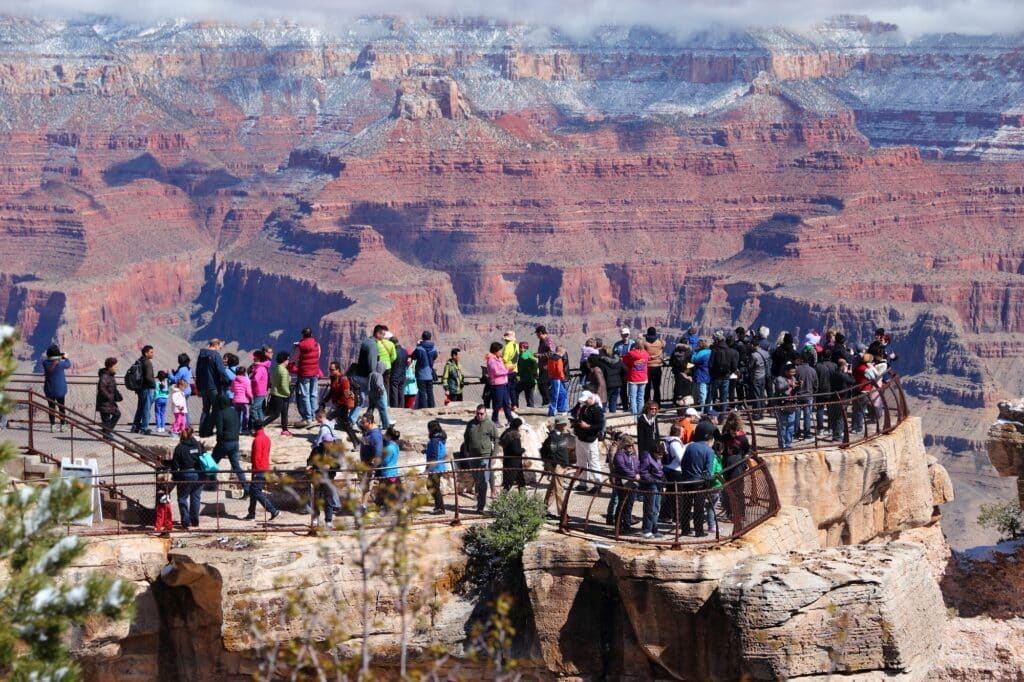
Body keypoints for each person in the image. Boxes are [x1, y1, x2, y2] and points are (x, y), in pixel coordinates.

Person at [680, 421, 716, 537]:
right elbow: (708, 471)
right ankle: (699, 531)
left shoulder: (690, 446)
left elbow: (683, 463)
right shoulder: (709, 451)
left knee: (686, 506)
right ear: (710, 440)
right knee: (698, 508)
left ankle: (685, 529)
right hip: (699, 483)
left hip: (686, 480)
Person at [463, 405, 498, 513]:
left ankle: (481, 505)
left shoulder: (490, 424)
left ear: (485, 413)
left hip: (485, 455)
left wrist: (494, 455)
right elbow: (466, 438)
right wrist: (466, 451)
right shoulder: (471, 424)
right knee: (476, 478)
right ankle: (479, 501)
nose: (479, 416)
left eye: (481, 414)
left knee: (483, 480)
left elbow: (496, 440)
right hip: (473, 455)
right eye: (477, 413)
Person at [212, 393, 248, 497]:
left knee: (212, 463)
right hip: (235, 442)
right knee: (236, 466)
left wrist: (219, 441)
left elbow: (219, 430)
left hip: (224, 442)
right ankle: (246, 488)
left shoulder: (220, 412)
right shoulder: (234, 412)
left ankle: (211, 484)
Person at [719, 411, 750, 528]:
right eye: (733, 432)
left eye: (736, 432)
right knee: (729, 492)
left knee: (737, 491)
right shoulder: (725, 437)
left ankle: (740, 514)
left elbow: (747, 451)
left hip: (737, 467)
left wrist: (744, 463)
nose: (734, 434)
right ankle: (731, 513)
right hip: (727, 467)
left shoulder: (742, 438)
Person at [246, 421, 280, 522]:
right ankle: (251, 513)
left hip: (258, 469)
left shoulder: (257, 440)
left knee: (256, 491)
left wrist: (255, 470)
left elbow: (256, 457)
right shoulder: (267, 438)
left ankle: (273, 510)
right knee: (253, 491)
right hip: (265, 468)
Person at [572, 391, 605, 493]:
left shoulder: (597, 410)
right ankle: (582, 483)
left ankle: (597, 484)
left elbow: (600, 425)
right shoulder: (583, 408)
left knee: (593, 462)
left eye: (586, 400)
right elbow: (574, 413)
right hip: (580, 438)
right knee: (580, 462)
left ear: (591, 398)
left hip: (590, 440)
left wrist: (588, 426)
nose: (584, 402)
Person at [541, 415, 572, 517]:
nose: (565, 425)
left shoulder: (561, 435)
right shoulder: (553, 437)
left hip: (562, 465)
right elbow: (551, 452)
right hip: (558, 466)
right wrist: (554, 465)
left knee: (553, 489)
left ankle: (543, 509)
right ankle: (563, 514)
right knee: (559, 490)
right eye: (563, 424)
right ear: (558, 425)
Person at [171, 427, 203, 528]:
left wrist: (175, 478)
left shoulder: (179, 447)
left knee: (182, 498)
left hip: (185, 474)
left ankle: (185, 521)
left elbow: (175, 466)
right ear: (192, 434)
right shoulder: (198, 445)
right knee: (196, 497)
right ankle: (195, 520)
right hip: (199, 474)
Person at [351, 325, 383, 423]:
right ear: (377, 334)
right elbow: (372, 363)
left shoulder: (366, 341)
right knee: (370, 399)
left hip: (360, 374)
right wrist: (374, 375)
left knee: (360, 399)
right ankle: (353, 420)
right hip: (366, 376)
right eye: (382, 335)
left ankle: (358, 419)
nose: (383, 337)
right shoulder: (373, 345)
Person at [608, 435, 639, 533]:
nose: (631, 447)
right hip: (623, 482)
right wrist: (634, 475)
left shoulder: (633, 454)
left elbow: (637, 465)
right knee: (622, 504)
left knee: (629, 504)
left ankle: (627, 525)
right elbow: (622, 468)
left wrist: (637, 473)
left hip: (633, 482)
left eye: (632, 445)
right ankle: (618, 525)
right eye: (629, 445)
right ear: (624, 445)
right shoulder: (619, 455)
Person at [195, 339, 229, 427]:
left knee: (205, 409)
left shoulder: (201, 355)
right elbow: (221, 371)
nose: (221, 347)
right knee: (217, 408)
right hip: (214, 387)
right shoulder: (216, 355)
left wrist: (198, 387)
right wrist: (228, 381)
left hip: (203, 387)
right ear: (216, 344)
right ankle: (218, 428)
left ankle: (202, 429)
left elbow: (198, 371)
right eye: (220, 345)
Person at [293, 327, 322, 426]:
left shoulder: (300, 346)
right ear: (311, 334)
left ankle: (308, 418)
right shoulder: (316, 344)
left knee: (305, 395)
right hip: (315, 373)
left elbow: (294, 359)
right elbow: (318, 356)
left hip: (304, 373)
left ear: (303, 335)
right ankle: (314, 417)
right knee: (314, 394)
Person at [261, 351, 293, 437]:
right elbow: (283, 385)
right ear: (284, 360)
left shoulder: (275, 368)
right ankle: (260, 426)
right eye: (288, 359)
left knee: (284, 412)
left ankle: (285, 429)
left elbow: (272, 381)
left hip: (274, 393)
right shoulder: (284, 371)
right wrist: (288, 393)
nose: (288, 361)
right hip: (281, 395)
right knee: (276, 414)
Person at [40, 344, 70, 432]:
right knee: (61, 408)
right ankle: (63, 426)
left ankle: (53, 426)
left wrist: (58, 357)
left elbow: (49, 361)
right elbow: (68, 364)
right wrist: (66, 357)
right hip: (60, 390)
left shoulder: (45, 363)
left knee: (51, 408)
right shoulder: (61, 363)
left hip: (49, 390)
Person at [638, 438, 665, 538]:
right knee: (649, 508)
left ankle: (654, 529)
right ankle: (646, 530)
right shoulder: (647, 457)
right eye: (659, 454)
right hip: (651, 485)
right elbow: (643, 472)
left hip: (658, 484)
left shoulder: (658, 458)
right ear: (654, 452)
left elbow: (660, 470)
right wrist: (652, 480)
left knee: (656, 508)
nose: (660, 457)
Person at [708, 331, 739, 415]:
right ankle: (722, 417)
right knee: (724, 398)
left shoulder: (714, 350)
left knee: (711, 396)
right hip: (726, 377)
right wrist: (729, 373)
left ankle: (710, 414)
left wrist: (712, 374)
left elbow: (710, 364)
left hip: (715, 377)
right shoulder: (730, 351)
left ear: (717, 341)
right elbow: (734, 366)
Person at [661, 423, 686, 524]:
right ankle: (678, 517)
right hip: (675, 471)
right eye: (682, 431)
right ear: (678, 432)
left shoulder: (667, 440)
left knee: (670, 494)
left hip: (668, 470)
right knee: (677, 496)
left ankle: (665, 515)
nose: (684, 433)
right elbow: (681, 459)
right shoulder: (675, 443)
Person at [130, 345, 156, 434]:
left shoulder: (140, 361)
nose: (153, 354)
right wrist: (154, 385)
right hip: (147, 388)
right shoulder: (147, 362)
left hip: (140, 388)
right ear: (146, 353)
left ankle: (135, 427)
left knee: (140, 408)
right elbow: (149, 377)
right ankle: (144, 428)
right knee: (146, 408)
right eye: (151, 352)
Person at [486, 341, 513, 425]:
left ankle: (510, 419)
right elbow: (496, 372)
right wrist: (508, 371)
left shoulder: (499, 359)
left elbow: (502, 369)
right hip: (497, 385)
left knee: (506, 403)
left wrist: (508, 369)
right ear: (495, 351)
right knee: (498, 403)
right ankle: (494, 420)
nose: (501, 352)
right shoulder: (491, 361)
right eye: (500, 350)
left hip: (503, 384)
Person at [774, 363, 800, 449]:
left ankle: (789, 444)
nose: (793, 374)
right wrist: (789, 384)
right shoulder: (779, 379)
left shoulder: (793, 378)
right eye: (791, 372)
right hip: (782, 405)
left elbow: (794, 391)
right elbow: (780, 388)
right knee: (782, 426)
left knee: (791, 426)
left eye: (794, 372)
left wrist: (798, 386)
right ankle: (782, 445)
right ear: (786, 371)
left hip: (791, 404)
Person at [95, 357, 122, 439]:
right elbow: (101, 388)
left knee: (116, 414)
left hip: (109, 402)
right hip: (104, 402)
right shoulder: (104, 376)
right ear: (110, 367)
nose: (116, 368)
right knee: (107, 419)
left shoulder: (110, 375)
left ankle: (106, 432)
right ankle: (106, 434)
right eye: (115, 366)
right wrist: (110, 397)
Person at [425, 420, 448, 514]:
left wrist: (428, 468)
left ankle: (440, 508)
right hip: (440, 466)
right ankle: (438, 506)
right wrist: (426, 451)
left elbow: (434, 455)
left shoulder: (434, 440)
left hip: (435, 468)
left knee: (432, 487)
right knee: (434, 487)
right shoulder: (440, 437)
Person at [376, 427, 403, 508]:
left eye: (385, 434)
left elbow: (385, 461)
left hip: (387, 472)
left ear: (389, 436)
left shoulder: (388, 448)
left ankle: (387, 507)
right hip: (394, 471)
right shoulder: (396, 446)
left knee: (387, 492)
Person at [794, 353, 818, 440]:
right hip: (808, 396)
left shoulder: (796, 370)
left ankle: (796, 433)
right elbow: (816, 385)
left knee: (797, 415)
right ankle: (807, 434)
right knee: (807, 416)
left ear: (802, 360)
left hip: (798, 396)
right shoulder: (813, 371)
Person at [639, 327, 666, 405]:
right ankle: (657, 404)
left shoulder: (644, 343)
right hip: (657, 366)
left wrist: (642, 337)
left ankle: (647, 404)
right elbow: (664, 342)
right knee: (656, 387)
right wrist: (659, 338)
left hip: (647, 367)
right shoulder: (660, 343)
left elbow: (640, 348)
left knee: (647, 387)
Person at [622, 343, 650, 418]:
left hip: (633, 378)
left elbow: (624, 361)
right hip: (643, 378)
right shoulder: (646, 354)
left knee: (633, 397)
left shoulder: (631, 353)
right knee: (641, 397)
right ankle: (640, 416)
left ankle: (634, 417)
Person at [499, 418, 527, 491]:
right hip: (514, 463)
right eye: (520, 426)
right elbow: (516, 450)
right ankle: (502, 499)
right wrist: (523, 450)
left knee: (521, 482)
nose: (521, 428)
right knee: (509, 484)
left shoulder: (506, 433)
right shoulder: (514, 435)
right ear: (517, 426)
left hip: (508, 461)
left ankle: (522, 499)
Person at [413, 331, 438, 409]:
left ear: (422, 338)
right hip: (429, 374)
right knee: (430, 391)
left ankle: (424, 408)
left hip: (421, 374)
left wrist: (418, 345)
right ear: (430, 338)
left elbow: (413, 357)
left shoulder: (419, 348)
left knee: (422, 392)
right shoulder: (434, 348)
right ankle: (432, 407)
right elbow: (435, 356)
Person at [366, 360, 392, 428]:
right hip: (378, 395)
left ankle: (365, 421)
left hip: (371, 394)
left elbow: (368, 384)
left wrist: (368, 392)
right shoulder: (379, 375)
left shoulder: (371, 373)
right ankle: (386, 425)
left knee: (371, 408)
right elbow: (378, 384)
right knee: (382, 409)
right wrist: (382, 390)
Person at [249, 349, 271, 427]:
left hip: (258, 391)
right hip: (261, 391)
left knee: (253, 408)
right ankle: (262, 424)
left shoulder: (259, 369)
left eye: (254, 358)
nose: (253, 359)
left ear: (258, 358)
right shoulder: (262, 367)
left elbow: (256, 380)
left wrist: (249, 379)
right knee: (259, 408)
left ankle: (258, 424)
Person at [534, 326, 555, 406]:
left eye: (537, 334)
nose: (537, 336)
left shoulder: (548, 340)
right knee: (542, 385)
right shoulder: (541, 341)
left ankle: (548, 402)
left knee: (543, 384)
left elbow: (551, 353)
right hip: (542, 367)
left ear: (540, 333)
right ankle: (546, 402)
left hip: (548, 367)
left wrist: (540, 355)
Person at [668, 342, 693, 407]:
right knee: (686, 388)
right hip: (685, 372)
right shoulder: (688, 351)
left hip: (677, 372)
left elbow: (671, 362)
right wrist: (689, 373)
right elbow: (691, 362)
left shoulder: (675, 351)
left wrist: (675, 369)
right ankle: (685, 402)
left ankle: (676, 401)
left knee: (677, 387)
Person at [230, 365, 253, 433]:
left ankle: (237, 429)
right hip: (244, 401)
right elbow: (248, 392)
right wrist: (251, 397)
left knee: (237, 415)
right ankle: (244, 429)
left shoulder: (234, 380)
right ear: (244, 373)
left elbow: (232, 390)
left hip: (236, 400)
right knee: (246, 416)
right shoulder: (247, 380)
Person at [546, 346, 568, 416]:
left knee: (563, 393)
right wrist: (562, 377)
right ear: (562, 352)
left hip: (552, 377)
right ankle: (552, 411)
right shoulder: (558, 359)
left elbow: (549, 368)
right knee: (556, 394)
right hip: (557, 378)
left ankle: (561, 409)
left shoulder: (550, 358)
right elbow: (559, 370)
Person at [501, 330, 520, 410]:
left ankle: (506, 406)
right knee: (513, 389)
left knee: (506, 389)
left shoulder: (507, 347)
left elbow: (505, 359)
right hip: (514, 369)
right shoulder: (516, 345)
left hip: (507, 370)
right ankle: (514, 405)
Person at [690, 340, 711, 413]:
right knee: (709, 393)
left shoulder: (700, 354)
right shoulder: (710, 351)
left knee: (702, 393)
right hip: (710, 375)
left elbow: (693, 360)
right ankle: (709, 408)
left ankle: (703, 410)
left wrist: (695, 352)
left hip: (702, 375)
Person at [516, 341, 538, 408]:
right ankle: (531, 409)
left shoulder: (524, 355)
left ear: (522, 347)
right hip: (529, 379)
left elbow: (535, 362)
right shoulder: (528, 353)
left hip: (527, 379)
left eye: (519, 347)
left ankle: (515, 406)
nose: (519, 348)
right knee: (529, 396)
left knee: (515, 391)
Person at [389, 336, 409, 408]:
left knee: (394, 391)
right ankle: (401, 407)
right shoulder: (405, 351)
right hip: (403, 374)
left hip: (394, 373)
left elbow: (391, 362)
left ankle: (394, 407)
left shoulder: (394, 351)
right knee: (401, 391)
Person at [154, 469, 174, 534]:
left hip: (167, 502)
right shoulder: (159, 484)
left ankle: (169, 526)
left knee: (168, 514)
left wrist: (167, 482)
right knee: (160, 515)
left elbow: (170, 487)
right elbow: (163, 488)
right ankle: (158, 527)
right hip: (160, 502)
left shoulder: (169, 485)